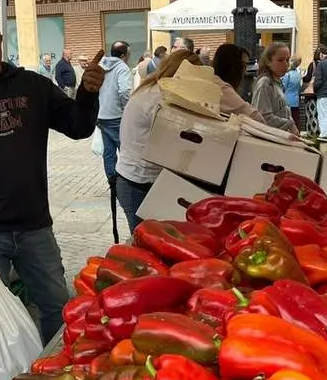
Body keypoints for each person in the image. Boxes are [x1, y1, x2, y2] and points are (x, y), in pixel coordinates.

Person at [0, 4, 105, 344]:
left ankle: (57, 376)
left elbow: (79, 126)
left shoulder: (32, 86)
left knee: (57, 308)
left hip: (34, 227)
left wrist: (88, 93)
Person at [115, 49, 265, 232]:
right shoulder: (161, 97)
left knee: (151, 236)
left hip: (136, 178)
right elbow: (182, 136)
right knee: (146, 238)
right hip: (140, 182)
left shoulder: (151, 89)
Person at [97, 40, 133, 242]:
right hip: (117, 115)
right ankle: (123, 182)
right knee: (125, 149)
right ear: (124, 55)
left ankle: (112, 178)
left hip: (102, 115)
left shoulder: (102, 66)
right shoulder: (122, 68)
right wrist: (128, 109)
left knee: (109, 151)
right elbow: (125, 91)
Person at [251, 43, 300, 134]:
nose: (286, 64)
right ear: (268, 62)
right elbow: (263, 116)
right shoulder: (265, 83)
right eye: (280, 60)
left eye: (287, 60)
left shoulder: (277, 83)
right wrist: (289, 124)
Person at [211, 44, 266, 123]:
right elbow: (253, 115)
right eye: (243, 66)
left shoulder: (211, 80)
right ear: (232, 67)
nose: (245, 72)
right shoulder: (221, 87)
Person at [281, 55, 303, 124]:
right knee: (295, 119)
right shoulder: (298, 75)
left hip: (287, 100)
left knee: (287, 119)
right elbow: (299, 87)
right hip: (296, 100)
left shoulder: (287, 75)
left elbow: (283, 87)